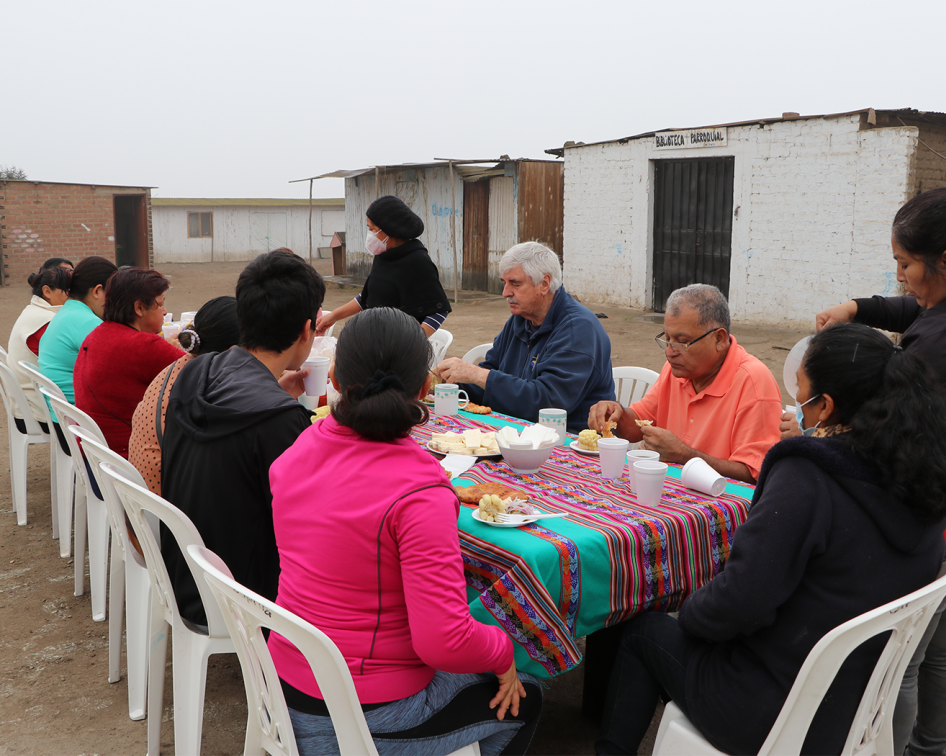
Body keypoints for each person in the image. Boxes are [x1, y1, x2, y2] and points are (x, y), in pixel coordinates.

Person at [595, 324, 946, 755]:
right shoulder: (924, 476)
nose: (799, 413)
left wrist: (690, 612)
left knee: (645, 630)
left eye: (803, 400)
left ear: (826, 407)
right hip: (854, 707)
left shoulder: (807, 476)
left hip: (773, 711)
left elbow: (739, 602)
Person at [268, 306, 542, 756]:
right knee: (526, 699)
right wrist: (502, 653)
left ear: (334, 379)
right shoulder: (419, 489)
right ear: (426, 388)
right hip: (363, 712)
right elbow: (444, 641)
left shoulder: (298, 449)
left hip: (285, 687)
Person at [814, 182, 946, 756]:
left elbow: (883, 416)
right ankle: (933, 749)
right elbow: (921, 307)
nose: (899, 277)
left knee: (903, 656)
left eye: (904, 264)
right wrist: (859, 308)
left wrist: (821, 423)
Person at [160, 249, 325, 626]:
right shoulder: (280, 421)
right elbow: (309, 527)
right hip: (242, 597)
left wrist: (275, 395)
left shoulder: (197, 371)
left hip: (183, 573)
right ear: (305, 330)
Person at [587, 284, 780, 484]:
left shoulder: (753, 382)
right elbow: (637, 425)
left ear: (719, 339)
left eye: (682, 341)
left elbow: (754, 474)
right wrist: (615, 413)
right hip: (669, 491)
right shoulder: (676, 370)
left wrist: (684, 455)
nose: (670, 351)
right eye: (667, 339)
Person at [436, 241, 615, 431]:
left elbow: (548, 403)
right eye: (504, 283)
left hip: (569, 440)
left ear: (544, 284)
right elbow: (491, 373)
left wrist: (478, 375)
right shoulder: (521, 318)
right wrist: (448, 383)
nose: (506, 293)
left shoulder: (578, 329)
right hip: (515, 428)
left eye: (515, 283)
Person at [128, 296, 239, 495]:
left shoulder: (177, 367)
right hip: (169, 507)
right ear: (234, 351)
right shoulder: (211, 386)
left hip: (142, 495)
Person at [72, 268, 184, 459]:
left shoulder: (96, 334)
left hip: (95, 455)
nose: (165, 312)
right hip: (127, 458)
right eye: (160, 304)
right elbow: (203, 375)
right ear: (139, 308)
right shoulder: (143, 345)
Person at [315, 195, 451, 337]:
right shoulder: (383, 256)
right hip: (376, 340)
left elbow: (438, 311)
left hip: (398, 347)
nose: (370, 235)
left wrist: (413, 342)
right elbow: (367, 298)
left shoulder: (418, 262)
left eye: (373, 229)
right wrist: (333, 316)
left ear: (391, 231)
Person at [38, 256, 119, 450]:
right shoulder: (86, 322)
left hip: (64, 420)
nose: (115, 303)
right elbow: (119, 367)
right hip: (79, 427)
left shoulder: (69, 312)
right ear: (98, 291)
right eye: (114, 295)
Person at [7, 259, 73, 428]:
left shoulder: (34, 311)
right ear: (47, 291)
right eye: (68, 291)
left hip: (26, 406)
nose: (72, 297)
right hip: (38, 413)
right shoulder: (47, 321)